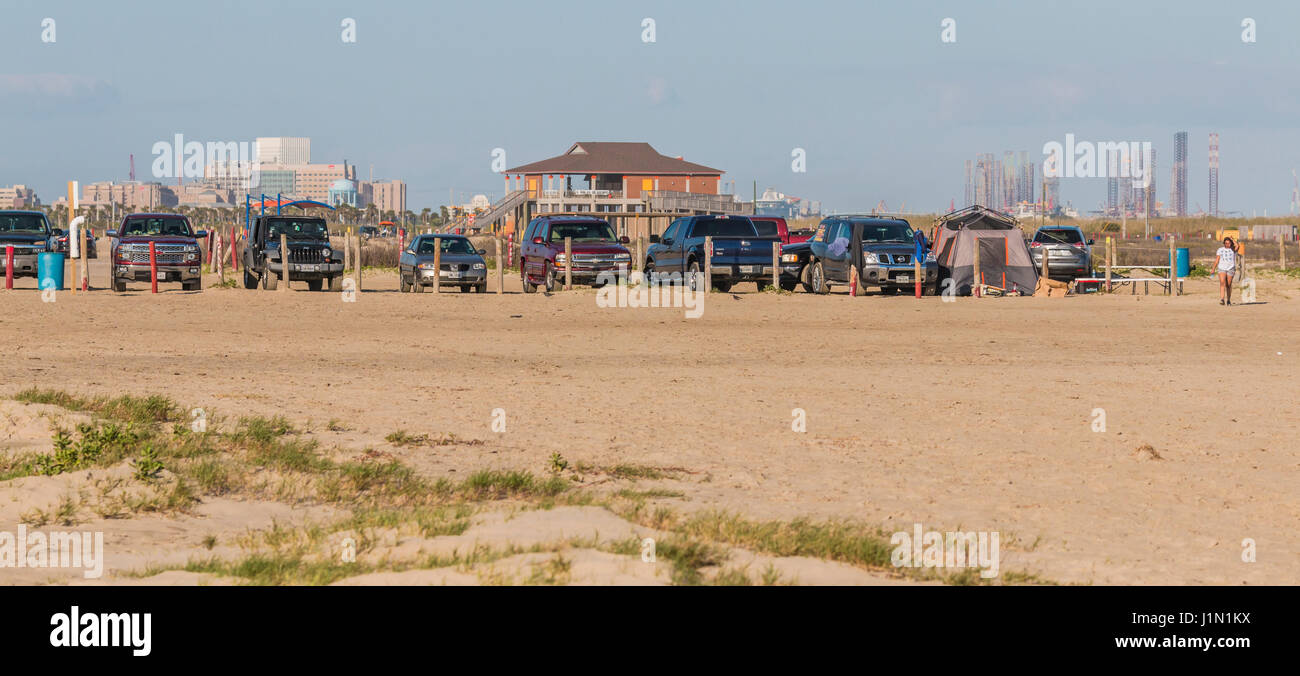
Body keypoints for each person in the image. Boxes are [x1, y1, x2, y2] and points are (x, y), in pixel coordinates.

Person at [1213, 236, 1237, 305]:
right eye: (1226, 243)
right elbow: (1217, 260)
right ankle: (1222, 299)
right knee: (1222, 282)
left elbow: (1237, 246)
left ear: (1231, 243)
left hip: (1230, 268)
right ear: (1224, 243)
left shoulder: (1233, 249)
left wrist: (1232, 239)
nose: (1227, 245)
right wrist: (1213, 269)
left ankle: (1228, 300)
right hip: (1222, 268)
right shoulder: (1220, 250)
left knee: (1228, 285)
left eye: (1229, 243)